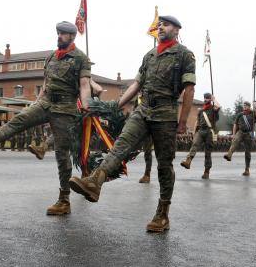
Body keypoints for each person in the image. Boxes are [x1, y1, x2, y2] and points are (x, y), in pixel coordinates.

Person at [69, 15, 196, 232]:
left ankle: (162, 214)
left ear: (177, 30)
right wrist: (117, 105)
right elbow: (137, 84)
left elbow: (189, 89)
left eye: (166, 25)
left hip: (165, 114)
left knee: (164, 165)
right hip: (143, 110)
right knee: (120, 146)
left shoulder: (185, 55)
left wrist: (183, 121)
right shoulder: (150, 56)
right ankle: (95, 183)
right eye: (160, 25)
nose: (161, 27)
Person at [0, 21, 92, 217]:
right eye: (58, 33)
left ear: (72, 36)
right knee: (18, 120)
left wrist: (86, 107)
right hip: (45, 103)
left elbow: (85, 84)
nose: (59, 36)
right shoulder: (52, 57)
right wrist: (35, 104)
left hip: (65, 109)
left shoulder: (81, 58)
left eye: (63, 34)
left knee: (62, 155)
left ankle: (64, 200)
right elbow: (46, 84)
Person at [180, 93, 220, 179]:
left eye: (207, 98)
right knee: (194, 144)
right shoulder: (201, 111)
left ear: (210, 99)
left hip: (209, 132)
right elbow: (197, 122)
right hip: (201, 131)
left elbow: (218, 107)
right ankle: (188, 161)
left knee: (207, 152)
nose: (205, 99)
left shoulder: (213, 109)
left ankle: (206, 171)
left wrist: (214, 99)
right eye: (205, 98)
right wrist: (194, 133)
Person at [224, 101, 256, 176]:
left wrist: (255, 106)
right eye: (244, 105)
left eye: (246, 106)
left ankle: (247, 169)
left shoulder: (253, 114)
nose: (244, 107)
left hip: (249, 133)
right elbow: (235, 124)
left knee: (247, 152)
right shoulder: (240, 115)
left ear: (249, 107)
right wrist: (234, 134)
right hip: (240, 131)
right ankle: (229, 155)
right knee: (235, 141)